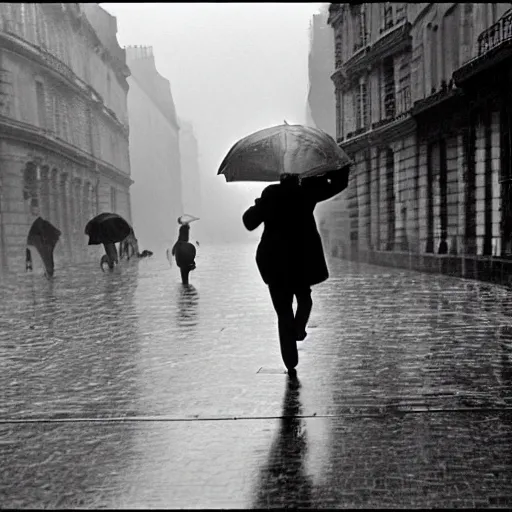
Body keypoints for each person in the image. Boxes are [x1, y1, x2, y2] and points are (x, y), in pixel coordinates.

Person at [242, 167, 350, 377]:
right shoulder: (306, 192)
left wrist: (259, 205)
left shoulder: (271, 194)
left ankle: (290, 359)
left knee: (283, 312)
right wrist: (337, 169)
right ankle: (299, 329)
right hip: (300, 259)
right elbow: (337, 185)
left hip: (274, 261)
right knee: (304, 299)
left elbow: (249, 222)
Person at [171, 220, 197, 285]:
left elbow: (180, 238)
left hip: (181, 262)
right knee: (186, 277)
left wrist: (173, 250)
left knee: (184, 278)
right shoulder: (190, 246)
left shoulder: (179, 243)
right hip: (187, 261)